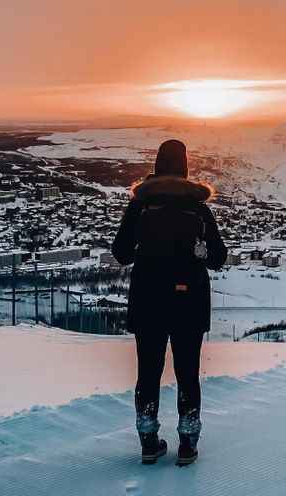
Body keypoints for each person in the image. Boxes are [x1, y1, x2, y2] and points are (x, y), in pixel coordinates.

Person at [112, 139, 227, 466]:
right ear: (185, 167)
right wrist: (197, 252)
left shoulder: (140, 206)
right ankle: (188, 443)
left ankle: (148, 441)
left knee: (148, 371)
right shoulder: (198, 208)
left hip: (148, 297)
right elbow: (218, 258)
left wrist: (147, 252)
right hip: (189, 300)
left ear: (157, 165)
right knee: (187, 372)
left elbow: (120, 253)